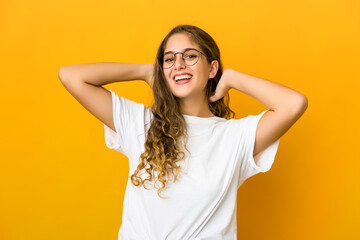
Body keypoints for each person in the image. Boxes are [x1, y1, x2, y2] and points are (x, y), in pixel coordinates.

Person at [58, 24, 308, 240]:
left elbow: (293, 104)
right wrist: (146, 71)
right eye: (169, 59)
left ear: (212, 69)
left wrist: (232, 78)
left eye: (190, 56)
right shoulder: (140, 122)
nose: (178, 64)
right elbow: (70, 76)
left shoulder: (235, 137)